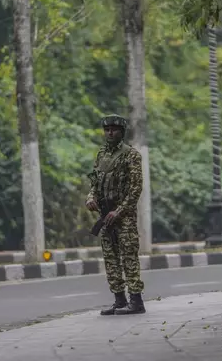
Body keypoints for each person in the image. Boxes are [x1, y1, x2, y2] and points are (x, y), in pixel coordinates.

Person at [85, 114, 146, 315]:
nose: (110, 133)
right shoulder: (101, 154)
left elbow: (135, 189)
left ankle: (136, 301)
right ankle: (119, 300)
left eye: (114, 129)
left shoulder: (131, 155)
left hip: (124, 216)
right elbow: (94, 182)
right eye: (107, 129)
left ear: (122, 132)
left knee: (128, 256)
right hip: (105, 215)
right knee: (111, 259)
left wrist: (119, 211)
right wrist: (90, 197)